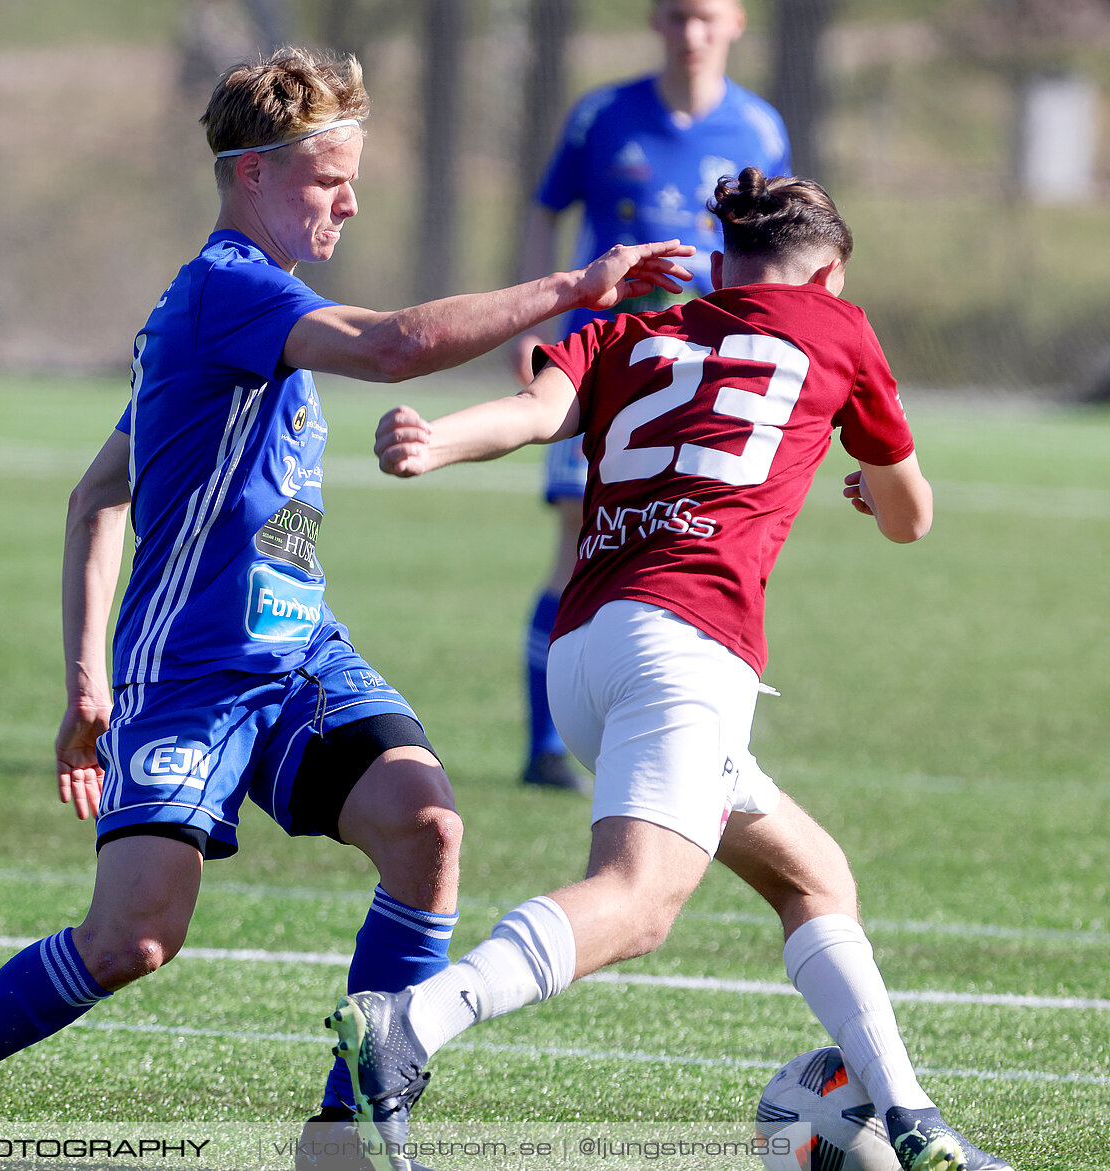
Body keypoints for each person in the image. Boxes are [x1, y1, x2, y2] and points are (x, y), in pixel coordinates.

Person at [0, 46, 690, 1150]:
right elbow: (393, 348)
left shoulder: (249, 315)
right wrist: (573, 286)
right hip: (195, 674)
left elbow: (102, 491)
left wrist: (102, 672)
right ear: (250, 174)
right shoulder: (226, 291)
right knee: (133, 940)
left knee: (428, 827)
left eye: (355, 178)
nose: (349, 202)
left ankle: (346, 1128)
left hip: (301, 660)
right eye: (325, 180)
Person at [334, 169, 1011, 1171]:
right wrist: (871, 487)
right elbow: (912, 517)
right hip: (688, 647)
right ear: (826, 271)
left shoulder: (630, 332)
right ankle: (416, 1023)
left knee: (814, 878)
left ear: (723, 263)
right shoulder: (838, 329)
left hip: (584, 651)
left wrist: (432, 443)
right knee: (639, 899)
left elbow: (528, 413)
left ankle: (913, 1121)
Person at [508, 0, 789, 793]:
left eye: (705, 17)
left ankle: (675, 719)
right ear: (654, 23)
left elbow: (780, 246)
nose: (690, 33)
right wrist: (526, 321)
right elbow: (545, 210)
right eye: (674, 16)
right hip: (601, 357)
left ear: (736, 22)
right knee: (578, 540)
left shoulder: (761, 131)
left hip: (707, 367)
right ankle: (546, 745)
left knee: (692, 536)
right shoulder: (601, 114)